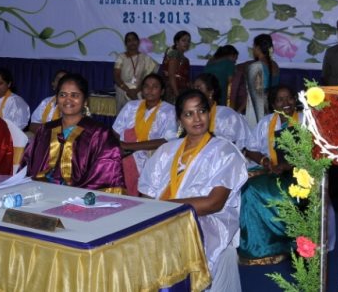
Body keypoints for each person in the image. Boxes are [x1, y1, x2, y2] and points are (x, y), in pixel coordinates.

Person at [139, 89, 248, 291]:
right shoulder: (166, 151)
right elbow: (146, 194)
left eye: (201, 111)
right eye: (189, 114)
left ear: (209, 114)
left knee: (170, 239)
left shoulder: (224, 151)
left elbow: (214, 203)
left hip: (206, 220)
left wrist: (161, 209)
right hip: (161, 214)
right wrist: (152, 212)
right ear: (180, 120)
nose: (197, 119)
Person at [21, 73, 125, 193]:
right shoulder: (45, 130)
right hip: (40, 192)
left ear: (85, 100)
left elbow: (107, 174)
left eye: (74, 95)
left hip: (80, 196)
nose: (68, 99)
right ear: (57, 99)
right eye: (62, 95)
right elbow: (28, 167)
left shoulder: (100, 134)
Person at [239, 84, 302, 262]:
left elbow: (315, 153)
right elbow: (250, 148)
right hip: (272, 171)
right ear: (273, 105)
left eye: (289, 98)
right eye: (280, 100)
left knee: (284, 194)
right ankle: (258, 245)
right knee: (247, 189)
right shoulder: (267, 122)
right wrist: (266, 162)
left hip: (301, 174)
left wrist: (287, 166)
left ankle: (290, 243)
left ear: (295, 99)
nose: (286, 102)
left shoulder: (305, 120)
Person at [112, 73, 177, 195]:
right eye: (146, 86)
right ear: (141, 90)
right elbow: (115, 131)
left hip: (152, 156)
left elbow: (166, 141)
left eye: (155, 86)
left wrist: (129, 146)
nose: (150, 90)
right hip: (125, 154)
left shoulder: (169, 111)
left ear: (162, 91)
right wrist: (121, 147)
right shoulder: (131, 106)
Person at [193, 72, 252, 150]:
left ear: (211, 92)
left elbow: (234, 146)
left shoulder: (226, 115)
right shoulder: (191, 115)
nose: (194, 92)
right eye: (193, 89)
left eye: (199, 88)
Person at [114, 31, 159, 112]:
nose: (132, 42)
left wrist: (136, 90)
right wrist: (128, 91)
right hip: (123, 90)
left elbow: (148, 79)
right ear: (126, 44)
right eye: (129, 40)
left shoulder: (145, 58)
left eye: (134, 39)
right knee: (123, 115)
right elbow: (116, 76)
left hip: (139, 90)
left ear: (138, 42)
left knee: (139, 115)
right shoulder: (121, 57)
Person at [244, 34, 280, 127]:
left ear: (257, 47)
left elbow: (257, 99)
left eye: (253, 46)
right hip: (272, 110)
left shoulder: (255, 67)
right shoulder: (275, 65)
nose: (253, 49)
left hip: (259, 115)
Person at [28, 69, 68, 134]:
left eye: (64, 79)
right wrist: (47, 132)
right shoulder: (46, 102)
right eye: (58, 79)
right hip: (43, 136)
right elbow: (32, 125)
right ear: (53, 84)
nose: (61, 81)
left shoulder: (72, 103)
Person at [162, 30, 191, 104]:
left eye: (188, 41)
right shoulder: (174, 54)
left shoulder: (183, 57)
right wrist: (177, 94)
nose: (186, 43)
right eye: (183, 40)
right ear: (177, 42)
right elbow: (171, 75)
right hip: (174, 91)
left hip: (181, 90)